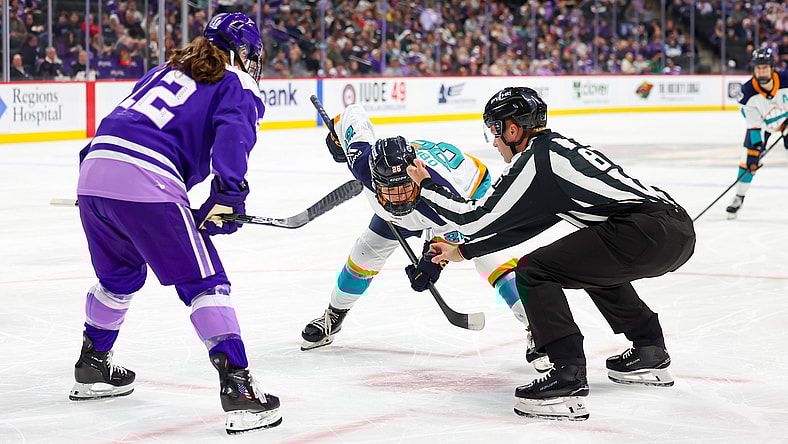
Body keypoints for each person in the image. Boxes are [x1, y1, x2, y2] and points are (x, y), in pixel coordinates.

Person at [406, 87, 696, 421]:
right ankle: (649, 350)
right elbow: (528, 226)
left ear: (513, 129)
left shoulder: (534, 161)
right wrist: (465, 251)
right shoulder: (555, 151)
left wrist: (427, 187)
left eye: (495, 132)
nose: (495, 142)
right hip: (674, 229)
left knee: (533, 270)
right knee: (590, 264)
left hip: (643, 231)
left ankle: (567, 374)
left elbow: (475, 217)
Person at [70, 13, 281, 434]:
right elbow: (232, 139)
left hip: (94, 172)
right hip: (148, 177)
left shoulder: (163, 69)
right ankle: (240, 391)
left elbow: (122, 124)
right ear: (243, 52)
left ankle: (93, 364)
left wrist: (105, 187)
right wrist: (229, 195)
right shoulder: (236, 83)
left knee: (120, 276)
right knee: (205, 282)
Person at [300, 104, 551, 373]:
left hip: (469, 197)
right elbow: (353, 113)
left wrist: (431, 263)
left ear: (415, 176)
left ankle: (538, 329)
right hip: (423, 205)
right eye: (389, 191)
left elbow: (458, 228)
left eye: (403, 188)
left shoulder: (442, 192)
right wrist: (337, 134)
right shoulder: (362, 162)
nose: (398, 198)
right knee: (365, 253)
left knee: (490, 259)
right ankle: (334, 316)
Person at [726, 47, 788, 219]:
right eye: (758, 68)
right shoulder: (747, 94)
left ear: (772, 68)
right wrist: (757, 150)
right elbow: (754, 126)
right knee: (748, 162)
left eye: (765, 67)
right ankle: (739, 196)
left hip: (786, 120)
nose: (762, 72)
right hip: (764, 126)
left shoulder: (786, 79)